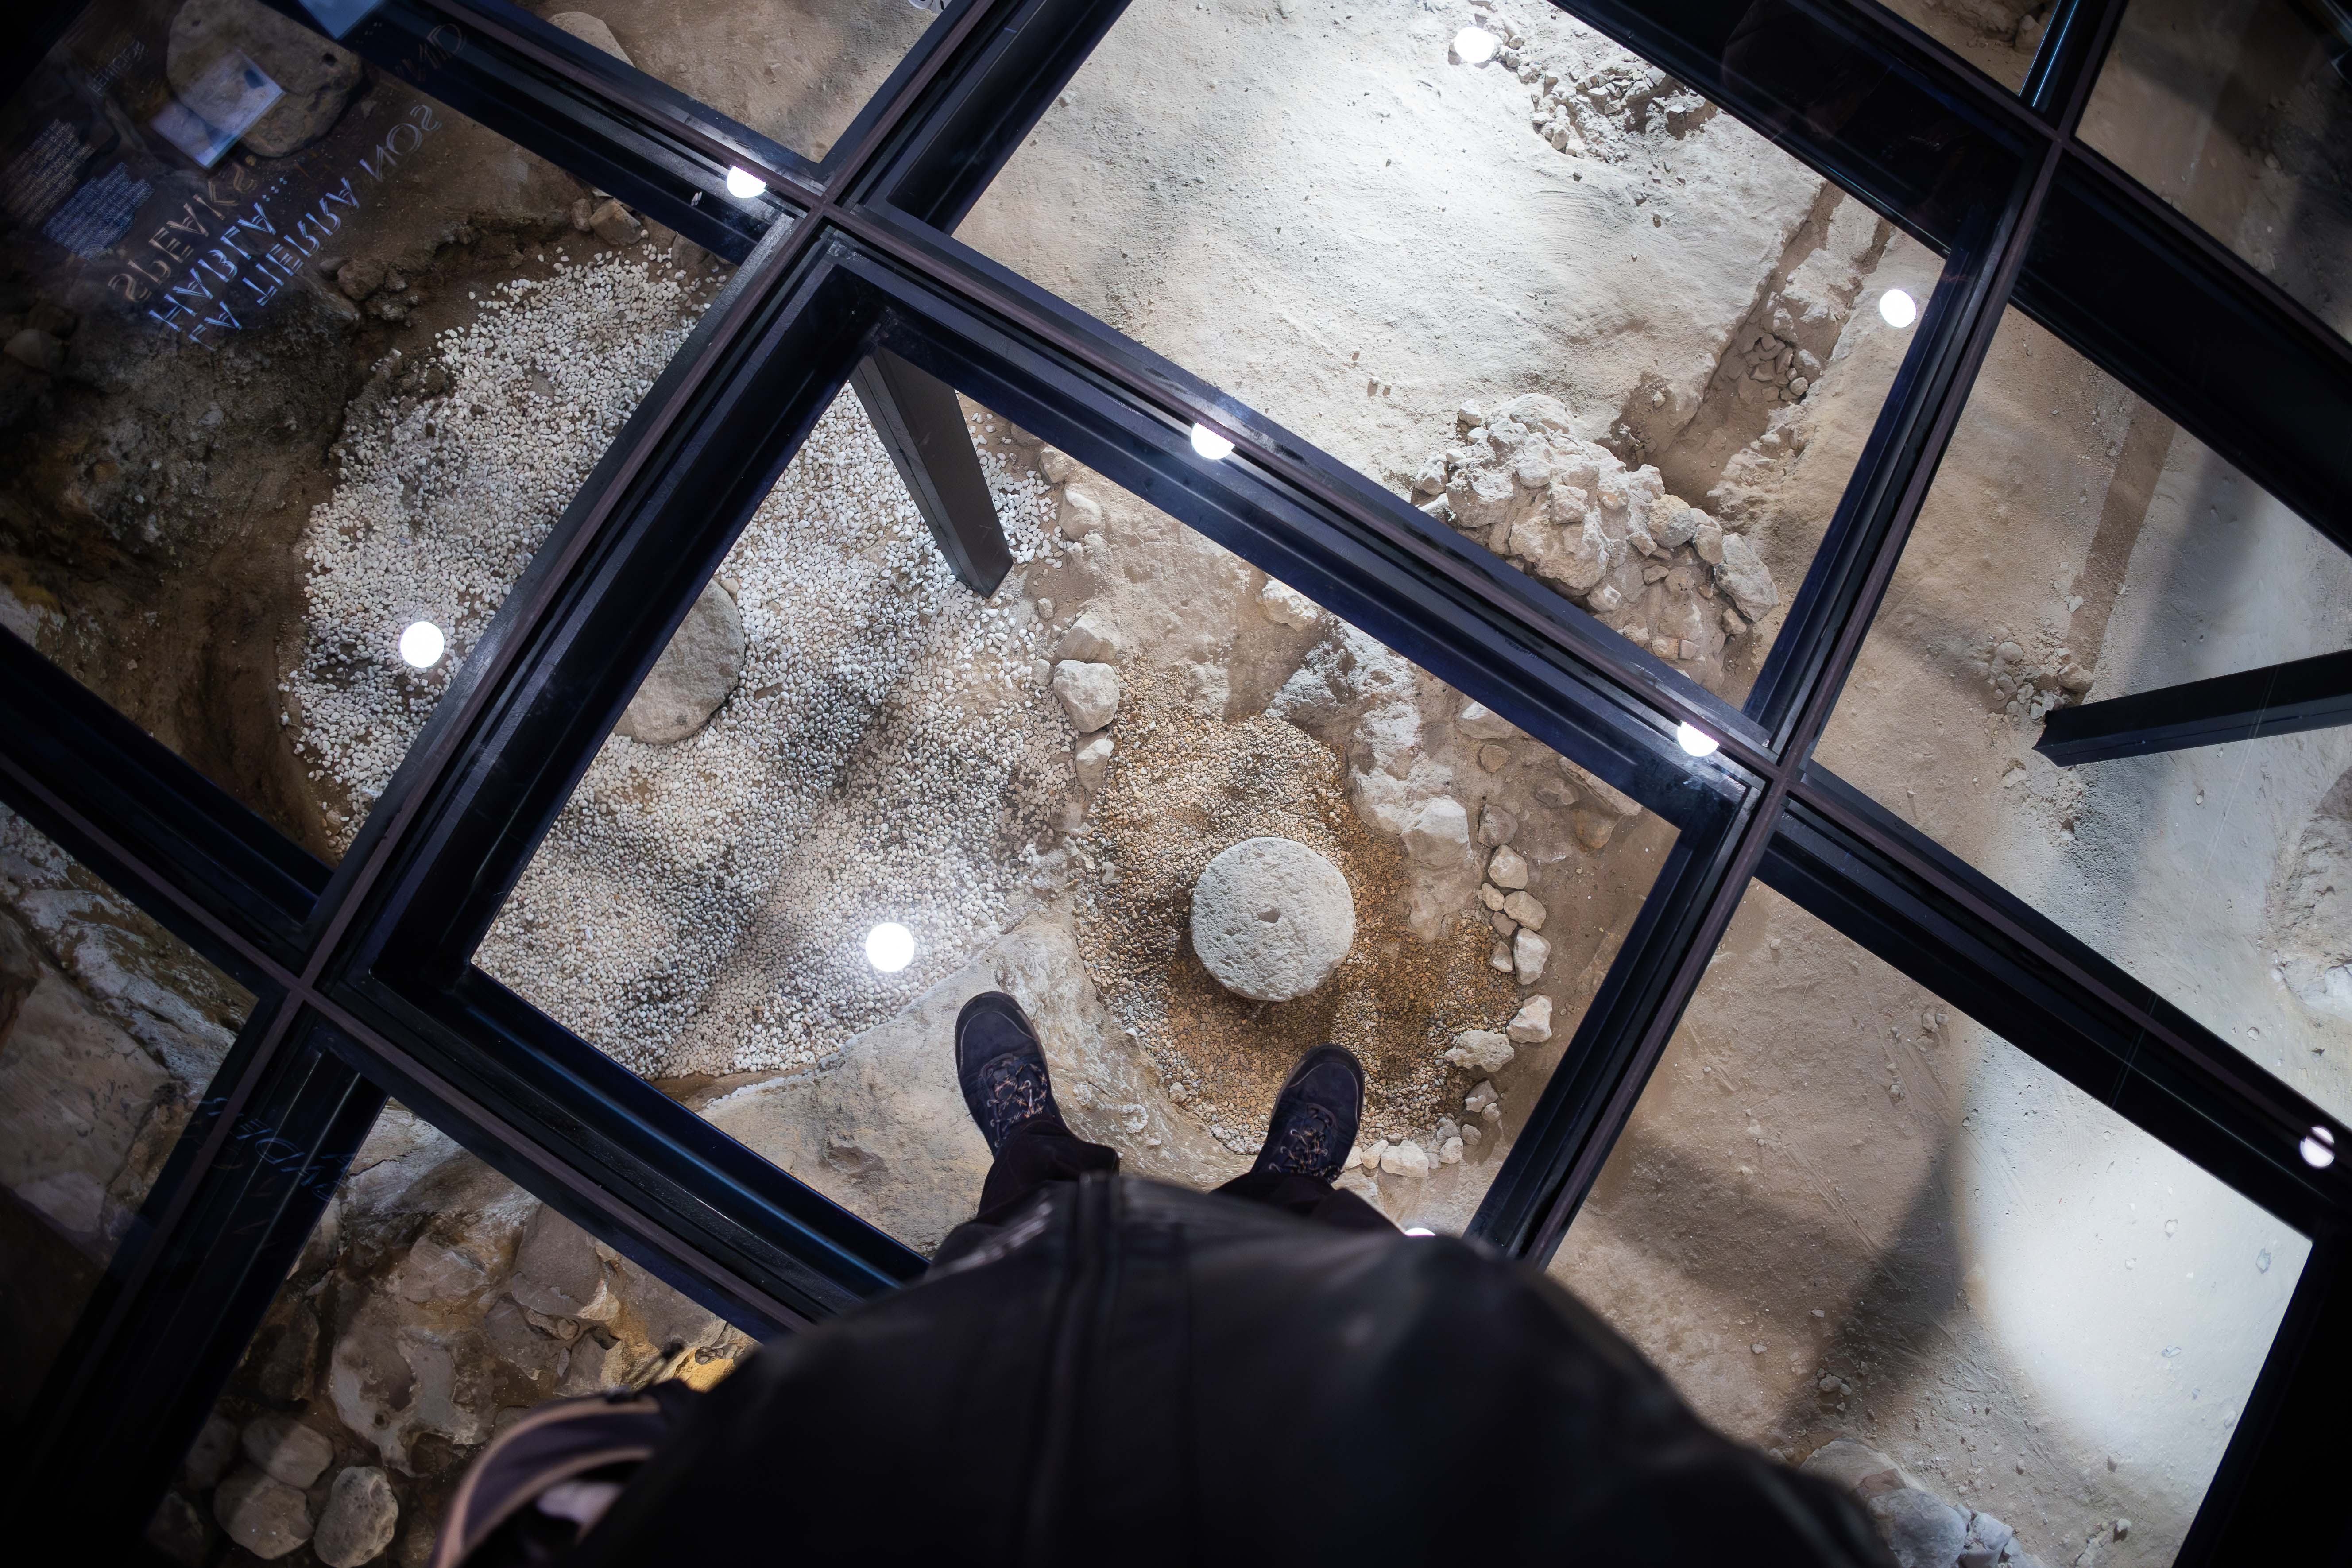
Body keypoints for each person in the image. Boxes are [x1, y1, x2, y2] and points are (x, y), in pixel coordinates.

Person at [435, 993, 1894, 1567]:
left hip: (959, 1424)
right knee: (1301, 1240)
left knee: (1030, 1229)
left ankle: (1053, 1161)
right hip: (1352, 1426)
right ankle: (1284, 1180)